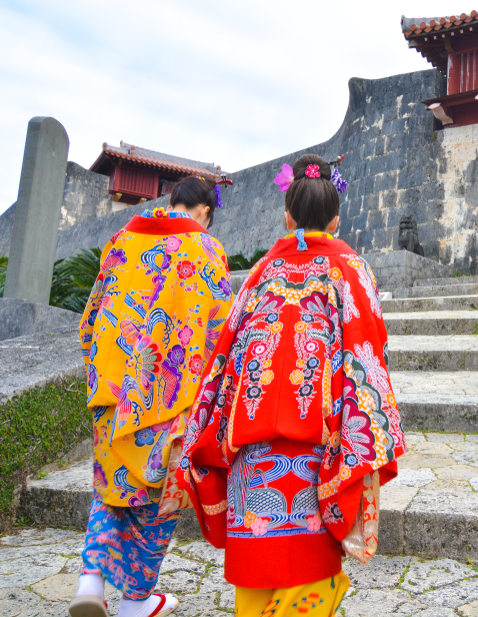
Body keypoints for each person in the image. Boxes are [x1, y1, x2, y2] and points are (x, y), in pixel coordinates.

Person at [178, 154, 407, 617]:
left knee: (255, 584)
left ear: (287, 217)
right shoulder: (350, 268)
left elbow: (226, 353)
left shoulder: (260, 274)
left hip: (250, 458)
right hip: (315, 461)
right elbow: (368, 351)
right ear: (336, 221)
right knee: (313, 580)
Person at [71, 176, 234, 617]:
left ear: (172, 201)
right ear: (205, 211)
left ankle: (90, 581)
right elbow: (220, 331)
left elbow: (90, 319)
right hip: (171, 396)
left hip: (114, 388)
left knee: (110, 489)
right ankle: (136, 601)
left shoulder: (122, 240)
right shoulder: (206, 250)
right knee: (157, 501)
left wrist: (105, 373)